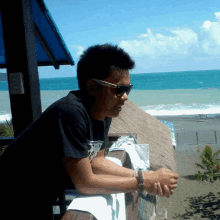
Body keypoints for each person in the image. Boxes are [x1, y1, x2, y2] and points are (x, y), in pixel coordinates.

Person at [1, 43, 179, 219]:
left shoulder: (103, 114)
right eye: (119, 89)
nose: (125, 97)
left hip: (40, 194)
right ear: (92, 87)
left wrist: (145, 176)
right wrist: (144, 182)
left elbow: (97, 162)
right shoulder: (70, 112)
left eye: (128, 89)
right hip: (13, 194)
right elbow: (85, 184)